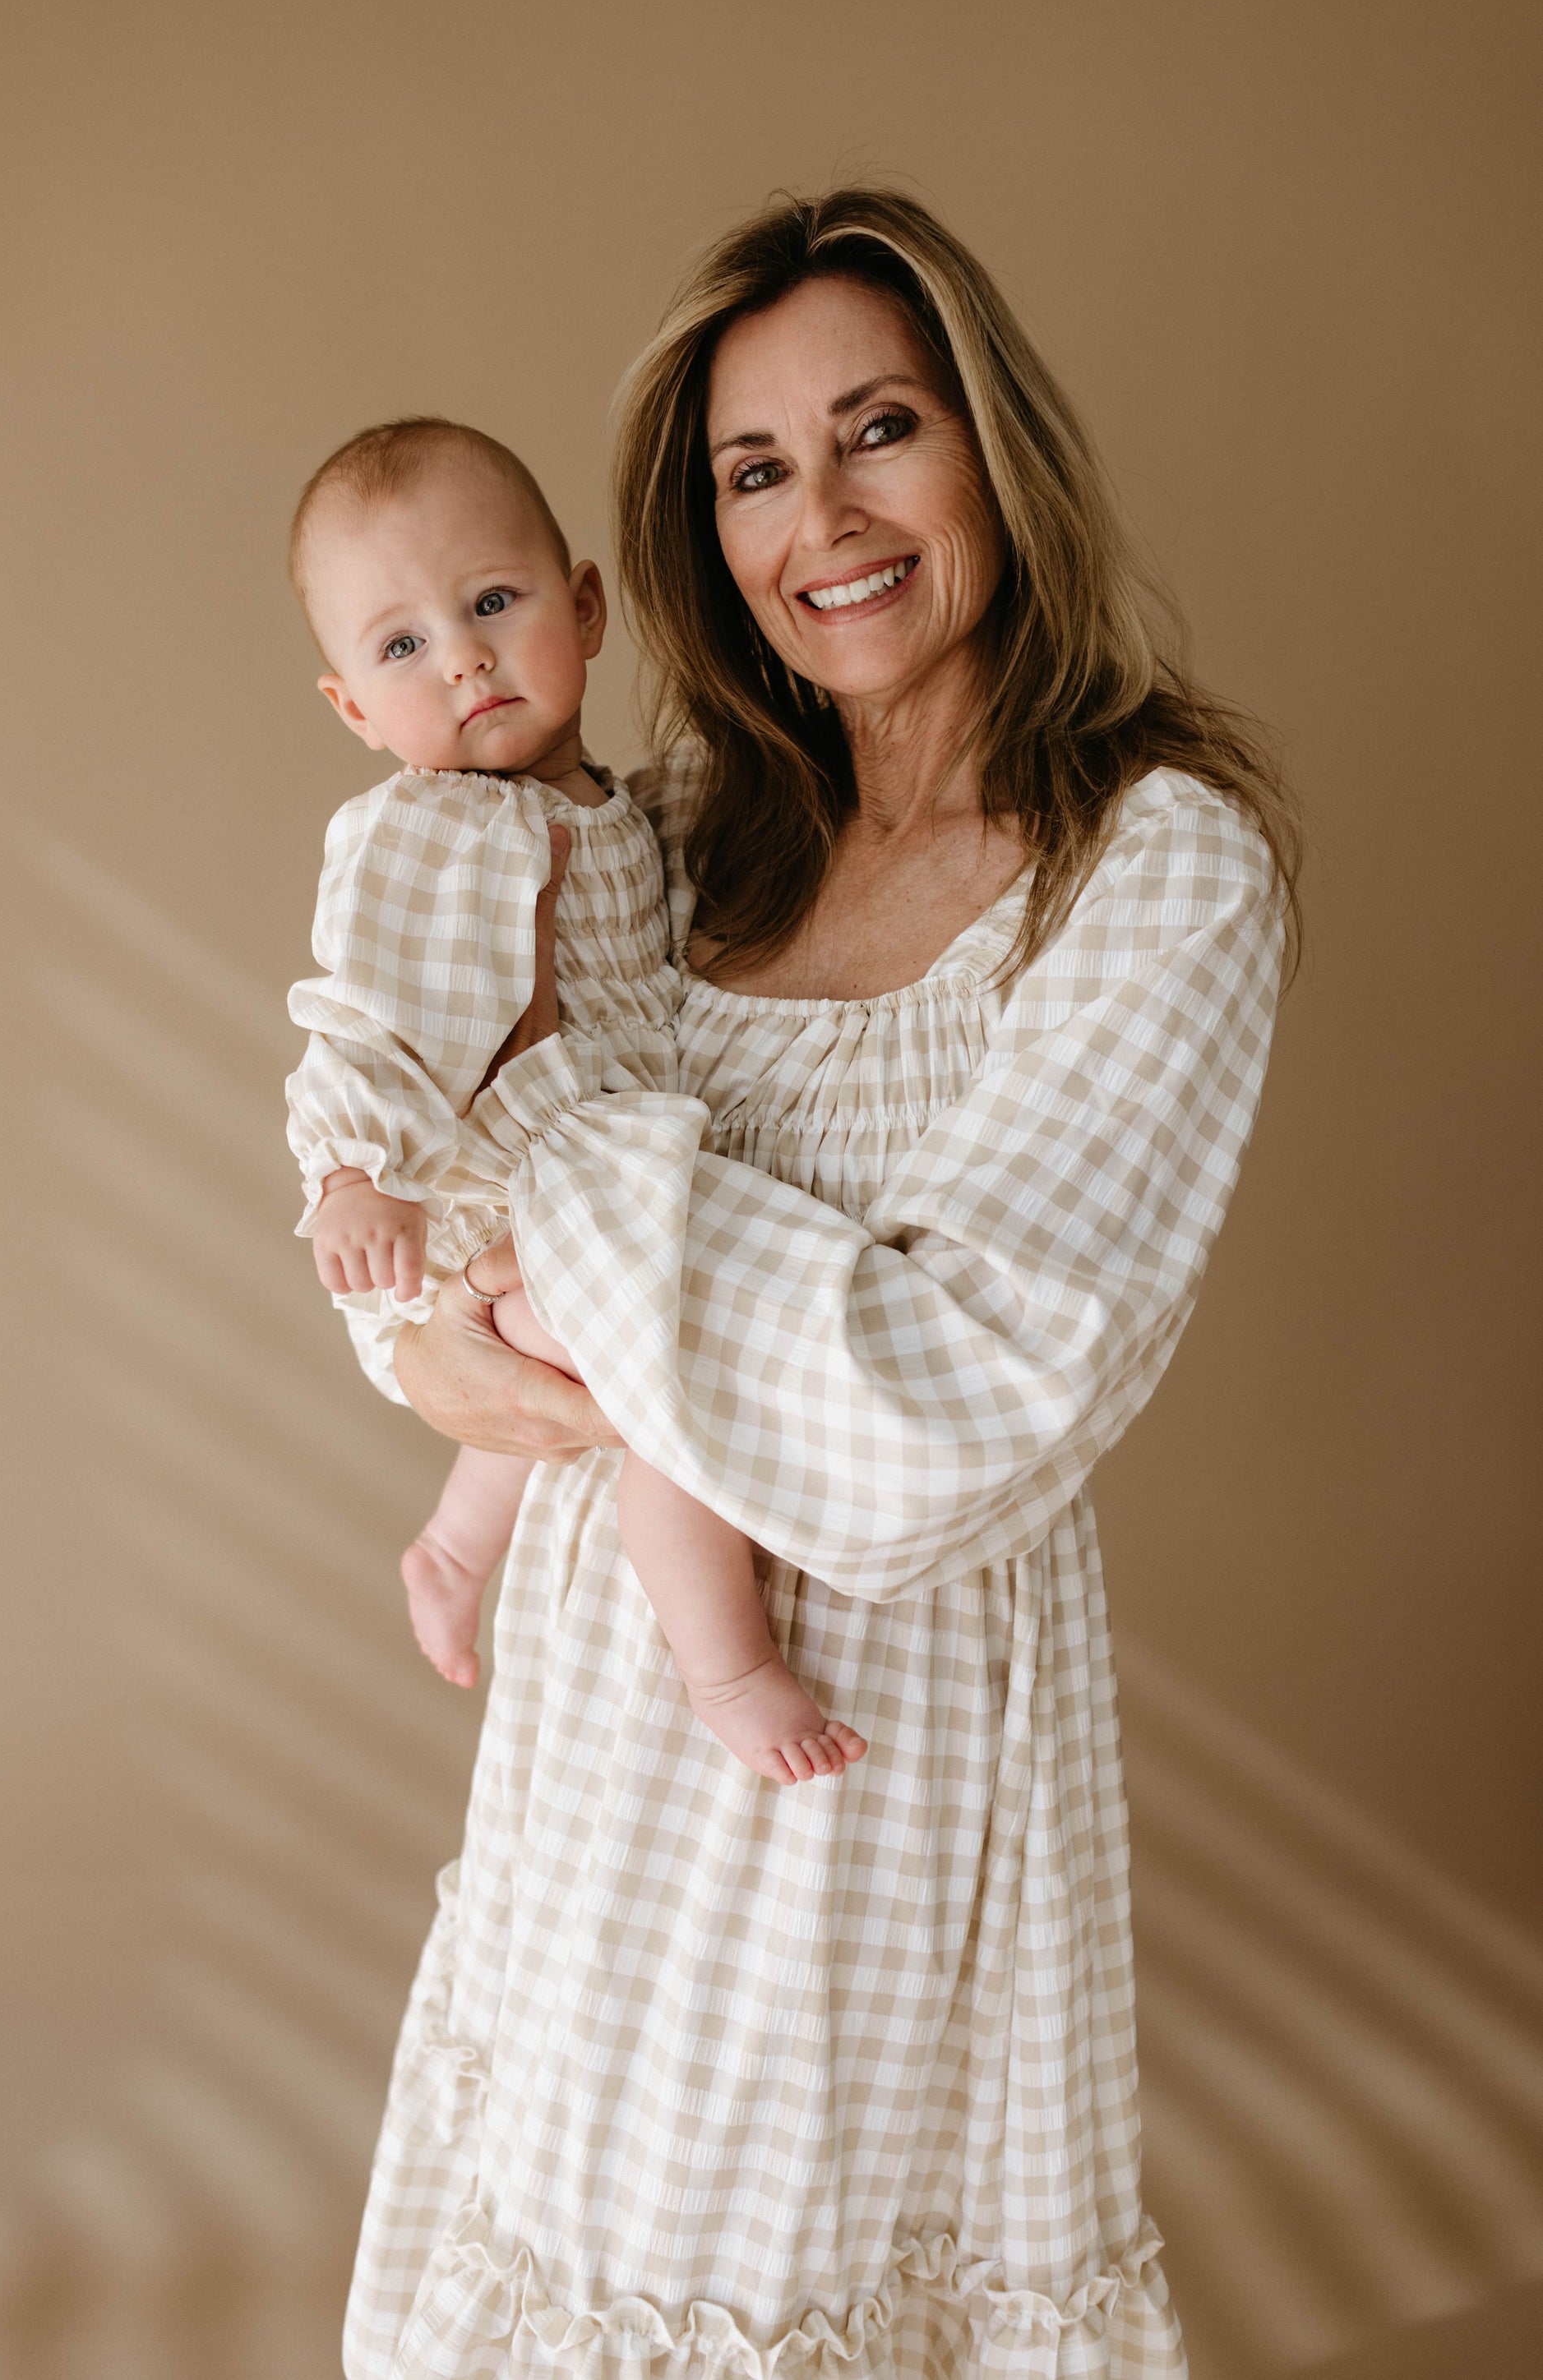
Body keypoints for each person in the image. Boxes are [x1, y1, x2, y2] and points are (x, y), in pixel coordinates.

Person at [342, 189, 1300, 2380]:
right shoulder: (669, 838)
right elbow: (407, 1150)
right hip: (596, 1722)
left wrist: (553, 1209)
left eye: (881, 428)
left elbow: (936, 1413)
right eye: (754, 468)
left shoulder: (1150, 866)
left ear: (997, 451)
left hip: (852, 1750)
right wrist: (424, 1336)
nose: (823, 516)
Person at [286, 417, 866, 1782]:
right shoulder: (423, 828)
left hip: (606, 1172)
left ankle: (453, 1544)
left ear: (583, 608)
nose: (464, 656)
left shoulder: (628, 808)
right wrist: (350, 1174)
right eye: (402, 645)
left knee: (617, 1361)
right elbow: (359, 1016)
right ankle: (727, 1669)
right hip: (524, 1179)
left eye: (492, 603)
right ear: (356, 710)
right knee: (664, 1373)